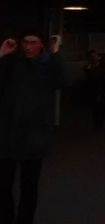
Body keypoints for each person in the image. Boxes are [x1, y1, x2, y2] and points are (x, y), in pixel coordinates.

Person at [0, 31, 63, 224]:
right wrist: (1, 56)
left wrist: (56, 53)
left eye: (33, 42)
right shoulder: (12, 64)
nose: (28, 47)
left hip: (33, 138)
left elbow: (62, 80)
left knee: (29, 188)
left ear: (42, 44)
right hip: (8, 136)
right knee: (3, 186)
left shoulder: (48, 66)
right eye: (25, 42)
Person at [83, 49, 105, 131]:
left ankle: (99, 125)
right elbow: (88, 80)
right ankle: (97, 125)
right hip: (92, 91)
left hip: (101, 90)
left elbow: (103, 80)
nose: (93, 58)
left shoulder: (103, 68)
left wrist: (100, 93)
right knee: (95, 109)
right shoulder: (89, 68)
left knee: (101, 109)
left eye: (94, 56)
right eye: (91, 57)